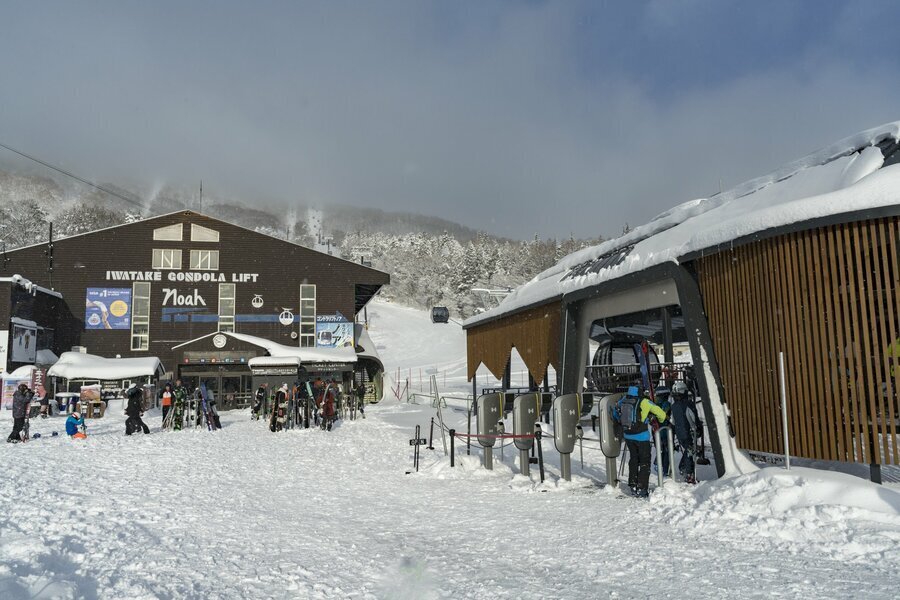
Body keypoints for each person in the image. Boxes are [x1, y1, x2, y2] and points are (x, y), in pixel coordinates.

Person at [615, 385, 668, 498]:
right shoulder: (644, 402)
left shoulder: (623, 400)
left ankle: (632, 484)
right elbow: (661, 414)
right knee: (644, 461)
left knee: (634, 458)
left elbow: (615, 413)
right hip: (641, 436)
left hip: (628, 435)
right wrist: (660, 419)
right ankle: (642, 488)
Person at [670, 381, 699, 483]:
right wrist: (697, 427)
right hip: (688, 431)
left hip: (679, 432)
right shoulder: (688, 404)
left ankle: (684, 468)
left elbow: (672, 421)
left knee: (688, 450)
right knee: (690, 451)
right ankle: (688, 472)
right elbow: (693, 418)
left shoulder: (673, 406)